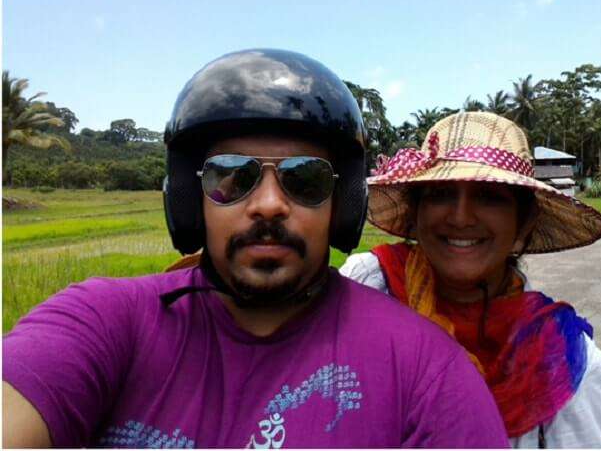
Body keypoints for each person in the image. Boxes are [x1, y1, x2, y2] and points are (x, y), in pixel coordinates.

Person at [3, 49, 509, 448]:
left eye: (305, 179)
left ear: (343, 204)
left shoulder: (427, 374)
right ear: (187, 198)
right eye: (231, 176)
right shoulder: (102, 322)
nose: (269, 205)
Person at [340, 111, 601, 448]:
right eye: (440, 194)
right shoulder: (366, 287)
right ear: (415, 215)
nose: (461, 217)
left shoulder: (561, 360)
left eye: (489, 196)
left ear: (522, 226)